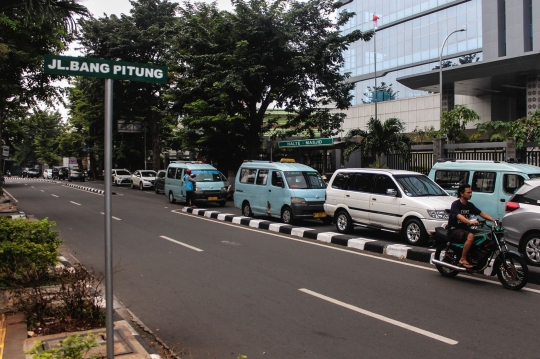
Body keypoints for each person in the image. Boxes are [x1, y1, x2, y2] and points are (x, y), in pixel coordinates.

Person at [447, 183, 496, 268]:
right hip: (454, 229)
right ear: (462, 194)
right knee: (470, 236)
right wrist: (469, 222)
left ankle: (475, 256)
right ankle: (463, 259)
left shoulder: (470, 205)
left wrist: (494, 220)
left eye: (471, 192)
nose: (470, 194)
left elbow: (481, 213)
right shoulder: (456, 204)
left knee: (484, 235)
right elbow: (459, 216)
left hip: (465, 229)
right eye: (468, 192)